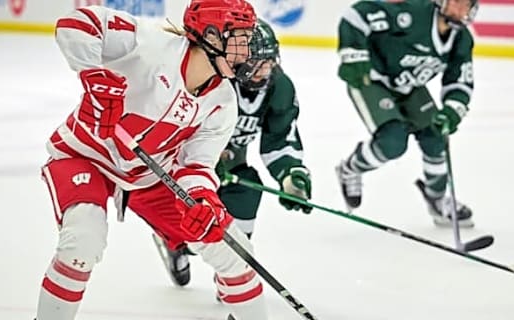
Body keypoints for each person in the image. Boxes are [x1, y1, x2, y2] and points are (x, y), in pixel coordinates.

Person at [35, 1, 269, 319]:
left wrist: (203, 198)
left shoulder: (223, 102)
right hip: (85, 156)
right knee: (83, 241)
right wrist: (92, 73)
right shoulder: (147, 44)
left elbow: (196, 165)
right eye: (240, 39)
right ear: (211, 36)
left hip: (149, 175)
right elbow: (77, 24)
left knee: (233, 251)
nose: (246, 52)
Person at [153, 19, 312, 288]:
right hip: (185, 170)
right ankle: (175, 243)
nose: (267, 69)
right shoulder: (211, 81)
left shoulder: (278, 86)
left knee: (248, 191)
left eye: (270, 60)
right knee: (194, 231)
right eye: (257, 63)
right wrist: (206, 166)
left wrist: (290, 174)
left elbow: (280, 136)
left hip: (231, 169)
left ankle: (233, 277)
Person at [334, 0, 478, 227]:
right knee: (393, 142)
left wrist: (451, 111)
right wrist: (353, 55)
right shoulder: (414, 13)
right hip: (370, 79)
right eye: (456, 2)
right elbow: (357, 15)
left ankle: (438, 199)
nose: (461, 10)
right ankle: (350, 169)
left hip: (408, 87)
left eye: (466, 5)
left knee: (436, 136)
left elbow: (459, 81)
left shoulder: (461, 39)